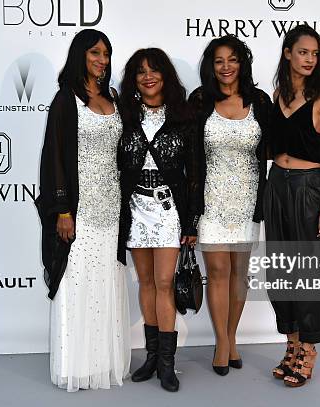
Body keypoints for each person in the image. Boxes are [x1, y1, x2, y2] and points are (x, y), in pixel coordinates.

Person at [36, 29, 130, 391]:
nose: (102, 60)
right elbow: (54, 157)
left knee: (106, 284)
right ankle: (76, 367)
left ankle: (104, 363)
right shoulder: (66, 99)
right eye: (95, 53)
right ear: (80, 55)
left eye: (106, 54)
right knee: (77, 285)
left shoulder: (114, 98)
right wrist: (62, 209)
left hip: (112, 208)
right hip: (80, 209)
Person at [117, 48, 203, 392]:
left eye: (154, 70)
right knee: (147, 283)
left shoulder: (183, 116)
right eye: (140, 71)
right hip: (135, 205)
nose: (148, 76)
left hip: (168, 209)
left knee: (165, 283)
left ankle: (168, 364)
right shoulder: (124, 115)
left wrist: (191, 222)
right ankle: (151, 357)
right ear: (134, 80)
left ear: (165, 76)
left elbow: (195, 171)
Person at [188, 35, 272, 376]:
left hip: (248, 199)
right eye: (219, 60)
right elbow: (190, 157)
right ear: (211, 65)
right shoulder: (199, 101)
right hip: (210, 200)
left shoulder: (260, 102)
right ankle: (222, 342)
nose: (226, 67)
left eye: (232, 59)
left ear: (242, 63)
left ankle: (232, 336)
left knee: (240, 274)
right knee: (218, 273)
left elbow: (273, 149)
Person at [266, 24, 320, 387]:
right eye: (303, 52)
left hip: (310, 188)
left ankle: (309, 348)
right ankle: (291, 343)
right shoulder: (276, 93)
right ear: (288, 54)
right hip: (276, 185)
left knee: (307, 272)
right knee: (280, 270)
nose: (310, 59)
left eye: (315, 53)